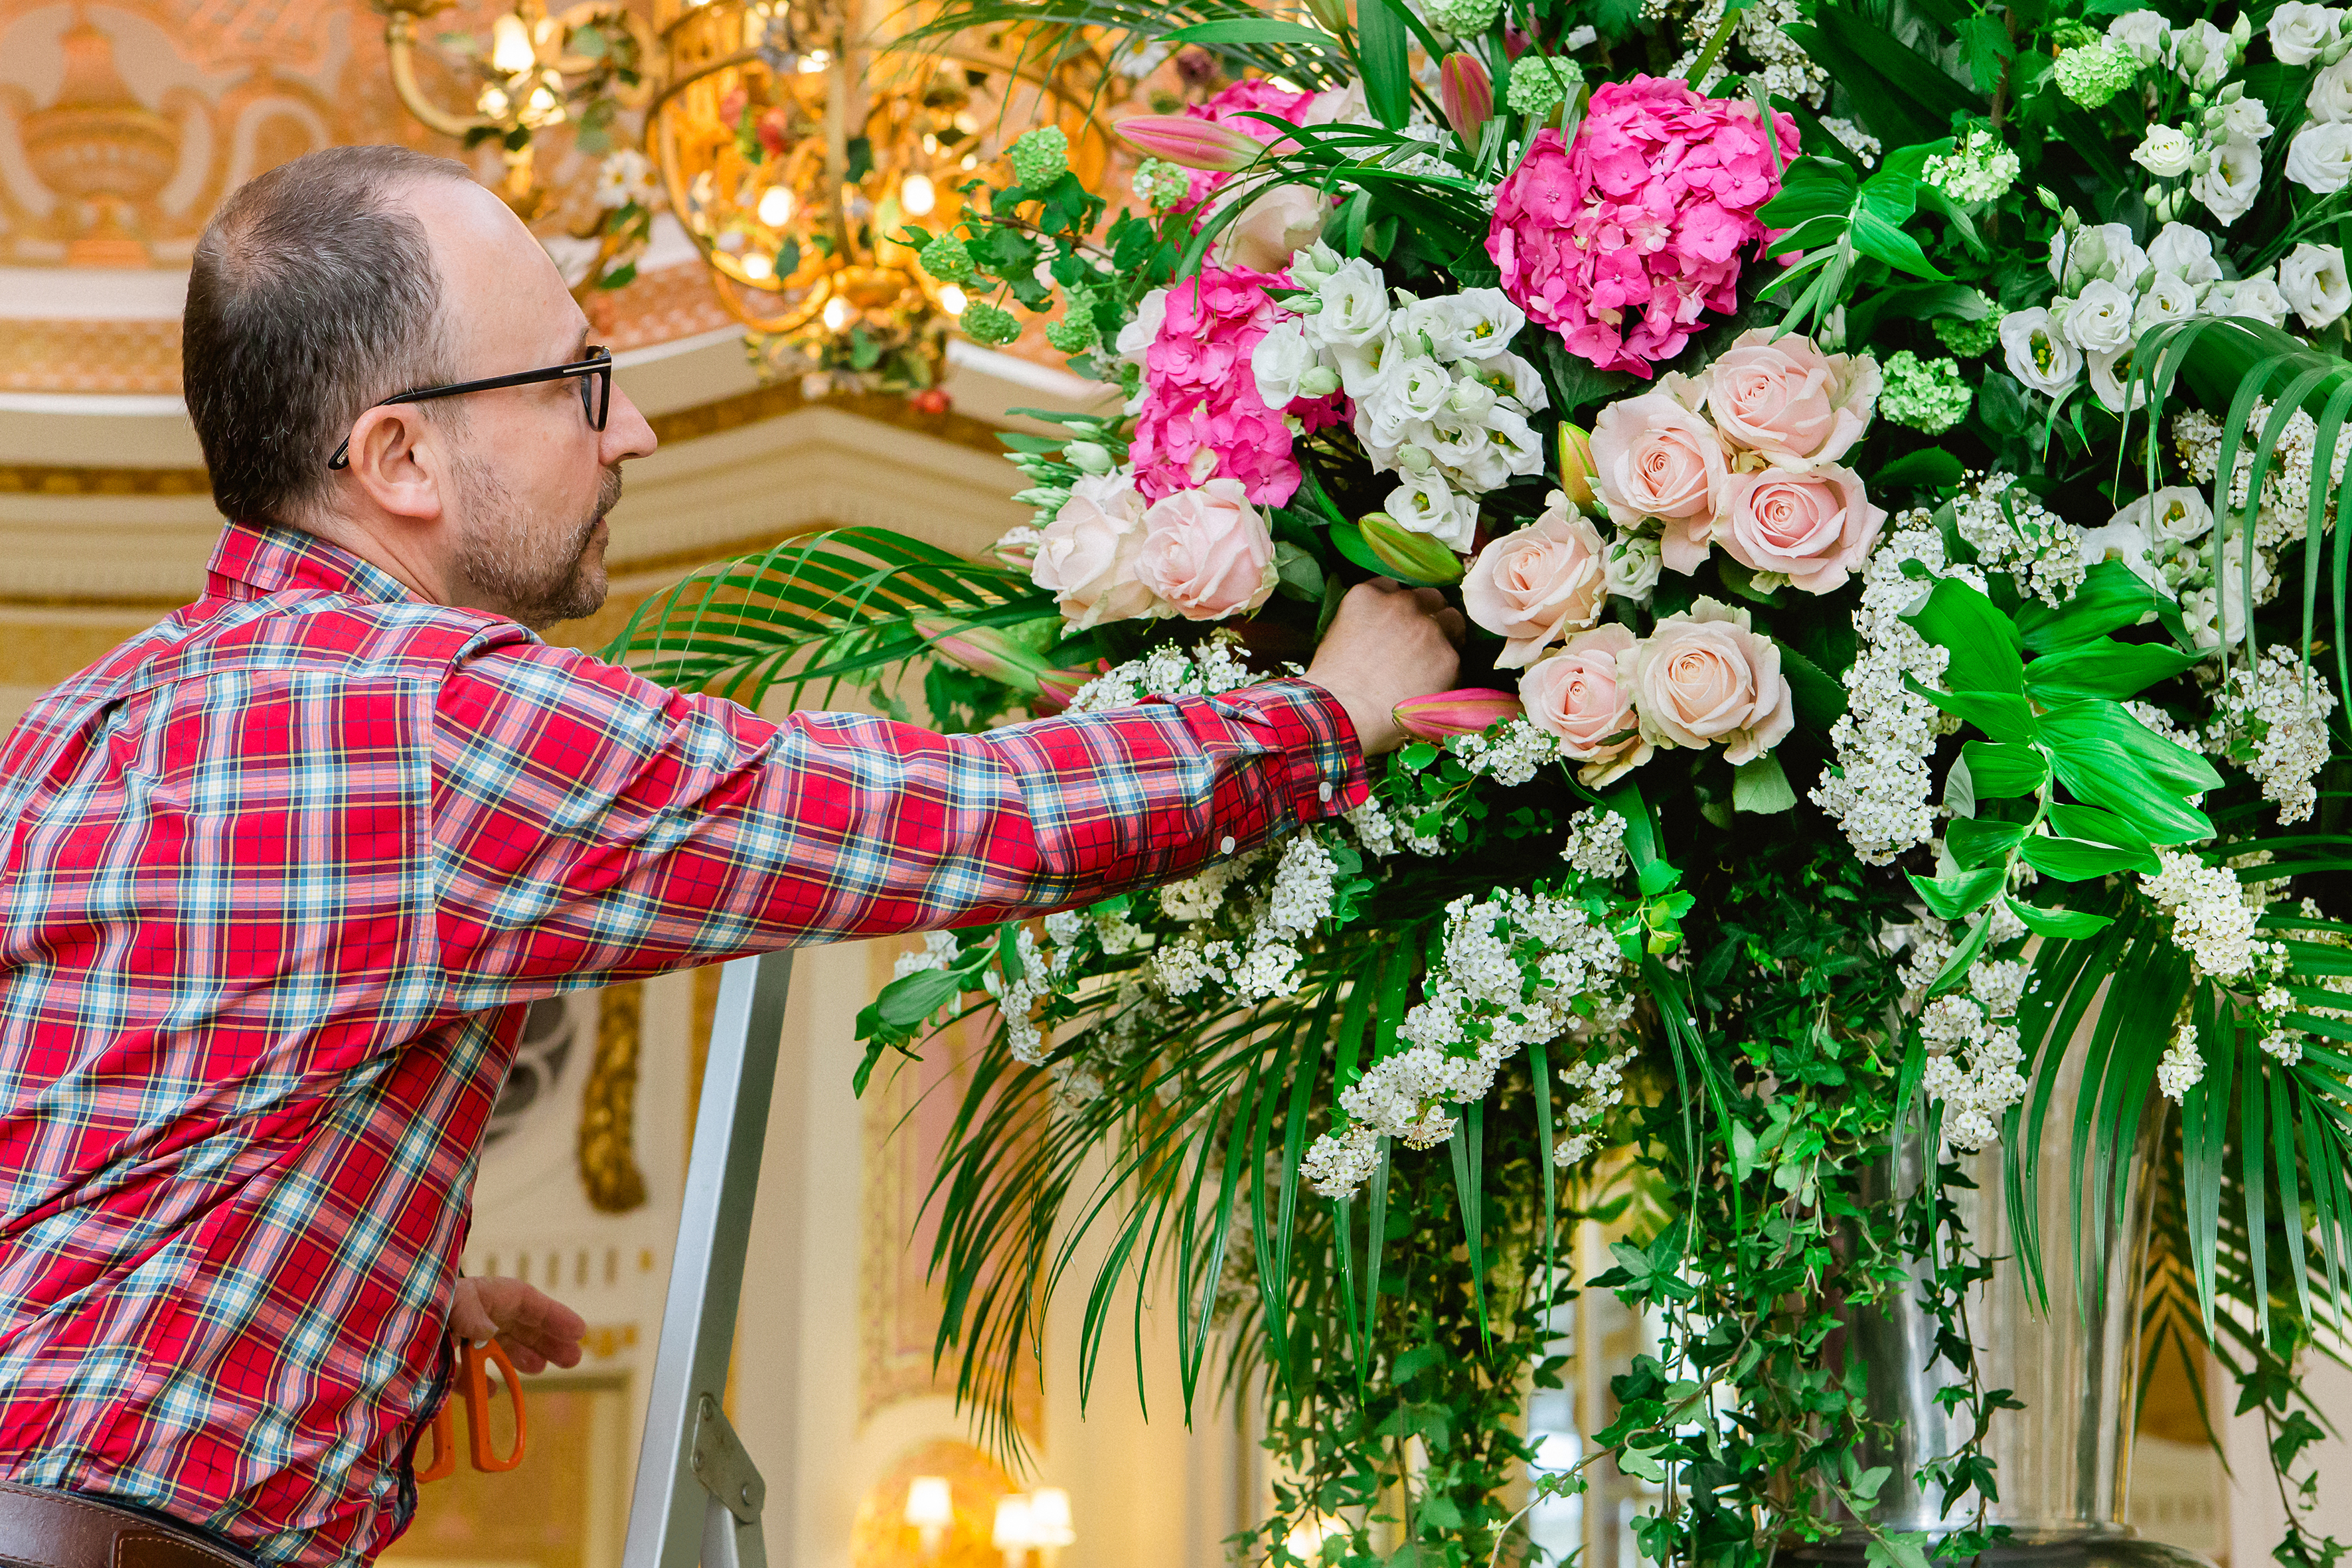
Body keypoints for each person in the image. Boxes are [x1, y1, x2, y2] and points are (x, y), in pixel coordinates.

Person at [0, 145, 1462, 1568]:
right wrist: (1330, 714)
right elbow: (950, 816)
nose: (631, 429)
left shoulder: (77, 723)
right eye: (576, 380)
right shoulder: (438, 720)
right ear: (399, 458)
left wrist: (356, 1281)